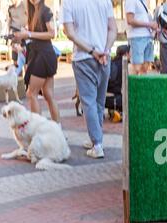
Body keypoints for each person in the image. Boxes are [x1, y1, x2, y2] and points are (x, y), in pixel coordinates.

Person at [61, 0, 117, 159]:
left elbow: (70, 33)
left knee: (89, 103)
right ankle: (96, 138)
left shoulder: (68, 3)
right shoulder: (105, 1)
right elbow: (113, 29)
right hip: (104, 58)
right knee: (99, 102)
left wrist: (92, 51)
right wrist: (105, 49)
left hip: (83, 58)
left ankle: (97, 144)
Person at [13, 0, 59, 124]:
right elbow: (33, 38)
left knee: (31, 93)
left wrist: (29, 34)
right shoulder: (33, 12)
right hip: (42, 54)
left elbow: (52, 33)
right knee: (48, 94)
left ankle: (38, 129)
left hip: (44, 56)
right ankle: (58, 131)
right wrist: (22, 38)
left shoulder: (45, 11)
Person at [126, 0, 158, 75]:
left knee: (144, 69)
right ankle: (133, 86)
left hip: (148, 37)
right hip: (137, 37)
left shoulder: (144, 2)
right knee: (136, 69)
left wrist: (153, 27)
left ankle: (141, 86)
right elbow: (130, 20)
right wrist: (149, 24)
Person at [7, 0, 28, 66]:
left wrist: (27, 27)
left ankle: (26, 73)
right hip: (14, 32)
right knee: (15, 55)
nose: (11, 1)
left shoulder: (24, 5)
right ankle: (17, 72)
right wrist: (9, 33)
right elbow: (9, 21)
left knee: (25, 55)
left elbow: (30, 17)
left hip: (24, 32)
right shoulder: (10, 8)